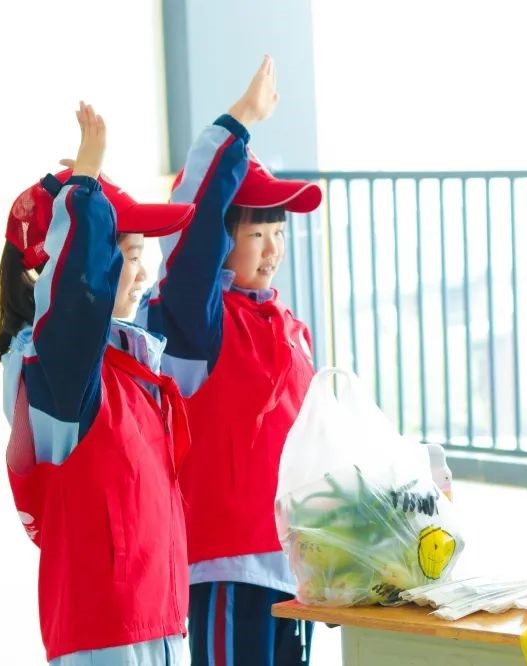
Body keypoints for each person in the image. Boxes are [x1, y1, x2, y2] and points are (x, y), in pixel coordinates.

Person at [0, 103, 196, 664]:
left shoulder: (123, 367)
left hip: (157, 618)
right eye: (127, 255)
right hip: (106, 633)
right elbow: (75, 301)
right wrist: (83, 194)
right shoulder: (56, 371)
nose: (144, 273)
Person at [137, 56, 323, 665]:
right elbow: (189, 235)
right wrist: (241, 119)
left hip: (292, 566)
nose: (272, 248)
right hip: (227, 567)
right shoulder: (197, 322)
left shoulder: (288, 327)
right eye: (255, 233)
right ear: (222, 241)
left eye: (279, 231)